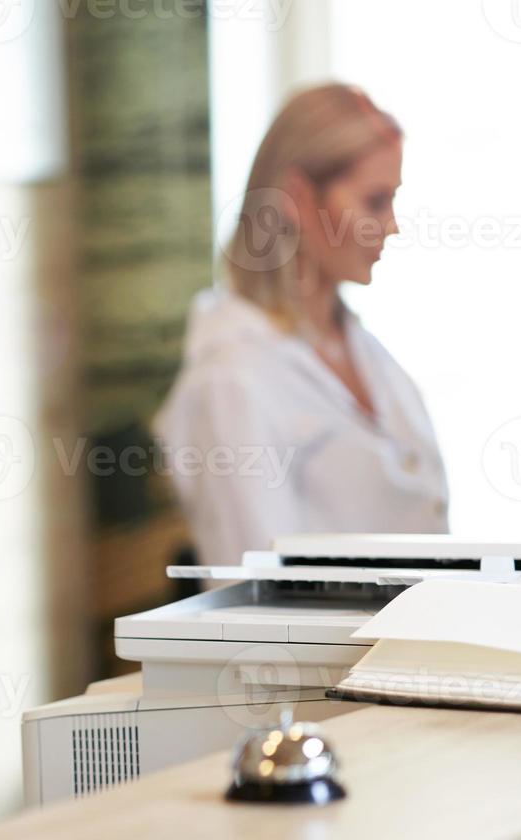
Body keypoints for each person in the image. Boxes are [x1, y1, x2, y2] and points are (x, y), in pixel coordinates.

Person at [154, 83, 448, 567]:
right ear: (294, 196)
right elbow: (256, 597)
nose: (392, 225)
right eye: (375, 201)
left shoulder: (357, 346)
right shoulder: (233, 378)